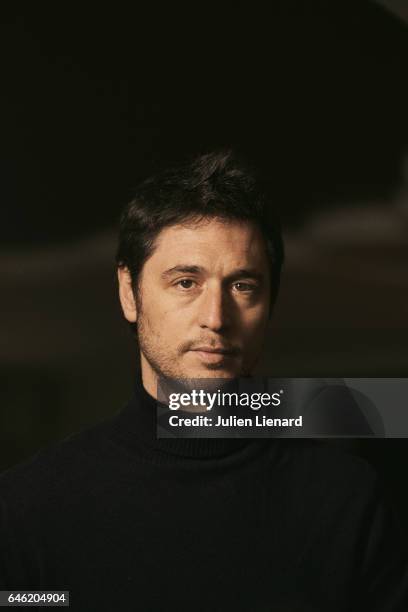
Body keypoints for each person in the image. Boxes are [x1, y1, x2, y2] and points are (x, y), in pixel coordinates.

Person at [0, 151, 407, 611]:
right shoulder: (29, 508)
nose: (216, 318)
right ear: (128, 293)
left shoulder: (345, 500)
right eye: (186, 283)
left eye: (242, 286)